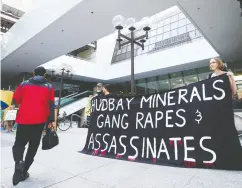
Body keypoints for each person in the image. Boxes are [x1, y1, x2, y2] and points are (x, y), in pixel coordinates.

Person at [11, 66, 55, 186]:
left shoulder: (24, 84)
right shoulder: (49, 87)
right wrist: (51, 120)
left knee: (19, 144)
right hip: (39, 122)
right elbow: (51, 104)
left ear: (33, 73)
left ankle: (19, 162)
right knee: (33, 147)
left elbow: (16, 99)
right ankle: (24, 171)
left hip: (23, 120)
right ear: (44, 74)